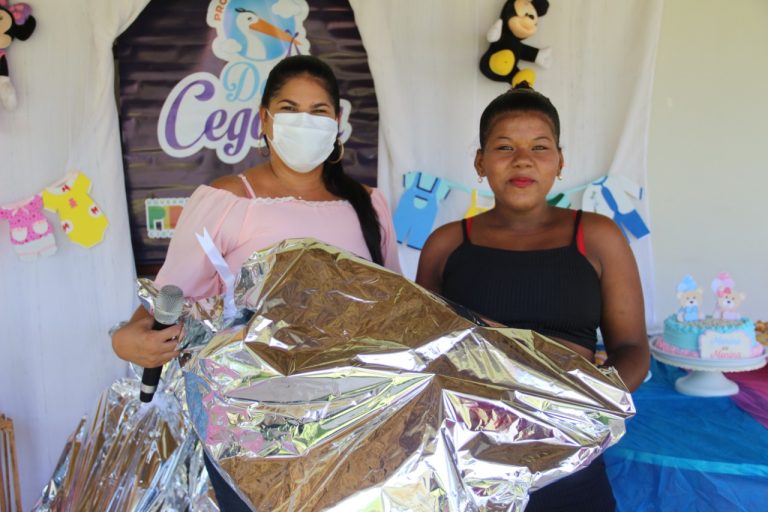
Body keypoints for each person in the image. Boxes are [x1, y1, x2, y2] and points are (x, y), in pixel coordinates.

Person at [112, 55, 401, 510]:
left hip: (355, 421)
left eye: (318, 111)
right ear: (264, 120)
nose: (304, 121)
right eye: (289, 109)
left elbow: (396, 311)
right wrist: (126, 339)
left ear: (337, 123)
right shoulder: (227, 200)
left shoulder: (369, 204)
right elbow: (171, 296)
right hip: (251, 428)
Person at [415, 84, 649, 512]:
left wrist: (575, 404)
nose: (522, 160)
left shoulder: (598, 237)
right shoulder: (445, 245)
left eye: (539, 147)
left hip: (569, 451)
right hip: (468, 457)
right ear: (480, 162)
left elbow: (632, 349)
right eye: (505, 147)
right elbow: (422, 355)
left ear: (560, 161)